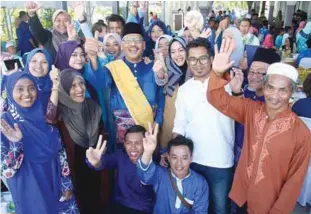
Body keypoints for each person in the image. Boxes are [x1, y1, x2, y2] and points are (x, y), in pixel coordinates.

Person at [207, 37, 311, 214]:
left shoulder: (301, 133)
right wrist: (216, 73)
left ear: (292, 92)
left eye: (282, 90)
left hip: (268, 205)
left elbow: (294, 183)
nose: (274, 96)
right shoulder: (252, 110)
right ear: (264, 87)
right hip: (241, 195)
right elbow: (217, 99)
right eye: (270, 87)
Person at [171, 38, 235, 214]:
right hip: (193, 160)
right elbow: (180, 123)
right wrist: (173, 153)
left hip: (220, 161)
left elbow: (239, 107)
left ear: (212, 59)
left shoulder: (227, 84)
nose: (197, 64)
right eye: (192, 59)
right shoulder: (184, 90)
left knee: (220, 208)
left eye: (203, 58)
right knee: (193, 206)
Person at [1, 71, 78, 214]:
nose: (27, 93)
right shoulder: (5, 123)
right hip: (29, 189)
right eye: (20, 89)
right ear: (10, 91)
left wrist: (66, 184)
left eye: (31, 88)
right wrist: (16, 144)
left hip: (55, 182)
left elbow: (60, 152)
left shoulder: (44, 117)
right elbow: (6, 171)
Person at [89, 22, 165, 146]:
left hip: (149, 133)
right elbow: (99, 81)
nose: (133, 44)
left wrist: (158, 122)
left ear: (144, 45)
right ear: (122, 45)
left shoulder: (153, 67)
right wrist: (93, 58)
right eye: (128, 40)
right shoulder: (113, 68)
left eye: (137, 40)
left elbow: (161, 99)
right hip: (121, 136)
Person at [46, 68, 105, 214]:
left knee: (97, 202)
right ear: (64, 88)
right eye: (72, 86)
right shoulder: (60, 113)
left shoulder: (92, 107)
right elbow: (49, 117)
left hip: (95, 168)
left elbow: (102, 134)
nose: (79, 89)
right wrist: (55, 86)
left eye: (81, 83)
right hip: (73, 172)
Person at [137, 124, 209, 214]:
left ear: (191, 158)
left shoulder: (200, 183)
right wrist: (148, 152)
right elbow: (144, 176)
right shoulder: (160, 174)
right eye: (174, 157)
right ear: (169, 157)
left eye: (184, 158)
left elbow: (201, 211)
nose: (179, 163)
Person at [86, 125, 155, 214]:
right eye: (129, 143)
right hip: (119, 205)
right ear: (124, 144)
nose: (133, 148)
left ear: (146, 144)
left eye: (138, 143)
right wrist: (96, 162)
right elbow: (103, 162)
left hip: (143, 209)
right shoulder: (120, 155)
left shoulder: (155, 162)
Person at [235, 48, 281, 165]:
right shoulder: (245, 92)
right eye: (251, 71)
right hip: (237, 150)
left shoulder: (276, 103)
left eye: (260, 72)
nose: (253, 76)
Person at [153, 37, 192, 148]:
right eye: (173, 52)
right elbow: (161, 80)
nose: (177, 55)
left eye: (181, 50)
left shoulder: (195, 70)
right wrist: (159, 72)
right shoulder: (166, 67)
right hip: (171, 118)